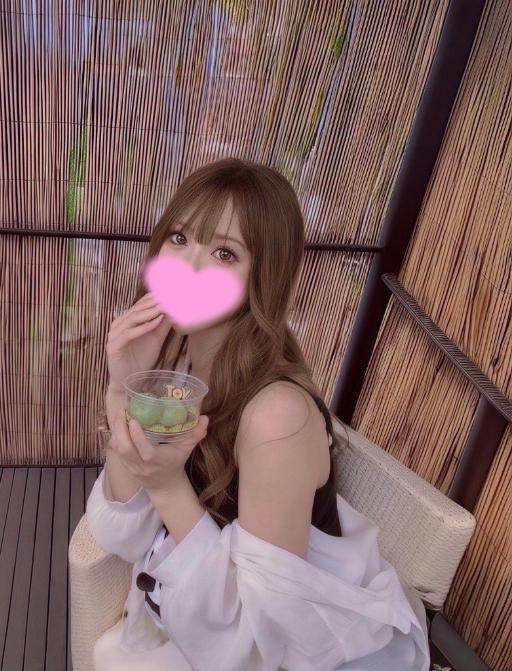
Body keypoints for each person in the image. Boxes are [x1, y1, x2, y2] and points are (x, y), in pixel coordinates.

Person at [86, 157, 430, 670]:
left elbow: (258, 645)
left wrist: (167, 486)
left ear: (261, 279)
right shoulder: (177, 370)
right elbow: (122, 533)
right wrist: (122, 387)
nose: (189, 267)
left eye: (224, 252)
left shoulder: (275, 416)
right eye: (180, 238)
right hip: (197, 619)